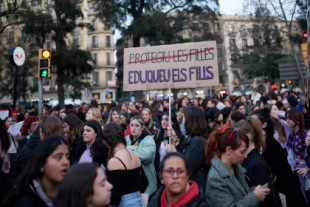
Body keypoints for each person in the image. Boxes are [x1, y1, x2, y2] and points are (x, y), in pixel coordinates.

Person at [252, 108, 308, 206]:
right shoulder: (261, 144)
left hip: (295, 176)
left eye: (253, 123)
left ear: (264, 125)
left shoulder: (272, 146)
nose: (250, 126)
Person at [205, 128, 270, 206]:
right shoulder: (215, 178)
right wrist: (255, 196)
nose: (246, 156)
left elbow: (242, 193)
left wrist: (256, 191)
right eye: (242, 152)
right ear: (229, 150)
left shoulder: (235, 167)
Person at [4, 136, 70, 206]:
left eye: (68, 157)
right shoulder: (26, 201)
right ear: (42, 164)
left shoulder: (71, 193)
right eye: (58, 157)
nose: (66, 162)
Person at [235, 117, 280, 206]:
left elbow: (267, 199)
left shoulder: (258, 164)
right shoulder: (247, 159)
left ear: (247, 137)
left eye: (236, 136)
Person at [103, 123, 144, 206]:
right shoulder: (134, 154)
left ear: (107, 140)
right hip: (138, 200)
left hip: (124, 202)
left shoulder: (114, 161)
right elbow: (144, 182)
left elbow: (115, 196)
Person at [126, 115, 157, 195]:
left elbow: (147, 155)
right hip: (131, 182)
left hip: (147, 182)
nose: (133, 128)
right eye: (132, 125)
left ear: (142, 127)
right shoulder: (126, 139)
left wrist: (127, 149)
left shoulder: (148, 139)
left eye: (137, 126)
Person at [180, 106, 208, 190]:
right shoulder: (192, 139)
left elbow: (187, 166)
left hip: (195, 186)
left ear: (190, 119)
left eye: (184, 117)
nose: (182, 120)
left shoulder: (197, 142)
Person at [153, 112, 185, 185]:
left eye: (167, 119)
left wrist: (175, 142)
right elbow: (156, 157)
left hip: (173, 173)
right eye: (162, 119)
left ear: (172, 122)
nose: (164, 122)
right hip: (160, 173)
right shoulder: (158, 137)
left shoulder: (178, 137)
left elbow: (182, 153)